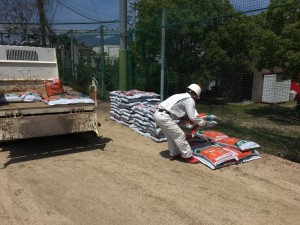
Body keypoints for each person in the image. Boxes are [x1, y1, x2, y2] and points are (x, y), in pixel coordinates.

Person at [154, 84, 212, 164]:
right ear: (194, 94)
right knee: (180, 135)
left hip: (158, 114)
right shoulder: (189, 99)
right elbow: (193, 117)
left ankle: (174, 153)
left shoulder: (180, 95)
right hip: (165, 116)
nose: (195, 99)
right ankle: (188, 156)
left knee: (171, 136)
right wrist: (203, 123)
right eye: (196, 97)